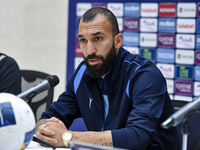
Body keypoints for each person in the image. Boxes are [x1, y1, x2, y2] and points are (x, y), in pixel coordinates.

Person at [35, 7, 180, 150]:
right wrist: (44, 130)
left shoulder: (144, 75)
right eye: (83, 40)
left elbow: (137, 136)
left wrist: (68, 138)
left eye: (98, 39)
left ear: (118, 41)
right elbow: (51, 115)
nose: (90, 50)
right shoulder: (83, 73)